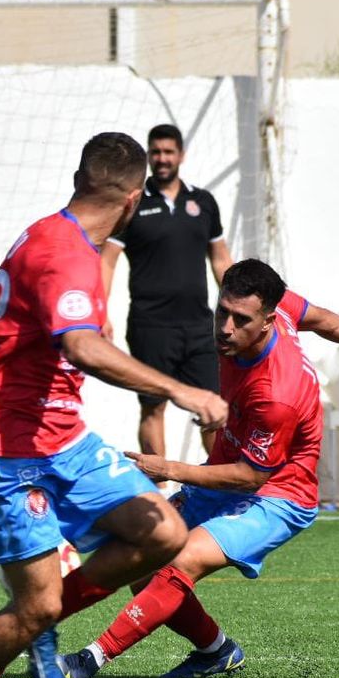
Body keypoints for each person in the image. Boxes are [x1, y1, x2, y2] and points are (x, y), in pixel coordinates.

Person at [0, 131, 229, 678]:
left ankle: (47, 621)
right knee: (35, 608)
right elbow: (81, 345)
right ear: (134, 200)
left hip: (63, 437)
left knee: (164, 531)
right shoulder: (72, 257)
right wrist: (185, 391)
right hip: (7, 451)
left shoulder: (43, 232)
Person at [56, 259, 339, 678]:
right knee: (143, 561)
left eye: (240, 320)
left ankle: (89, 660)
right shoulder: (277, 308)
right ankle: (216, 652)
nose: (226, 327)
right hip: (229, 469)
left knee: (181, 561)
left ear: (268, 320)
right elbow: (320, 317)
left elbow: (250, 478)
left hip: (278, 496)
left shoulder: (276, 394)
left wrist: (168, 468)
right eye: (221, 312)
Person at [101, 123, 233, 462]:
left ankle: (221, 489)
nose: (162, 158)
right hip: (150, 326)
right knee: (152, 407)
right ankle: (158, 493)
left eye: (168, 152)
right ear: (148, 156)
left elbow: (220, 259)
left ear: (180, 156)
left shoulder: (203, 202)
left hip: (199, 326)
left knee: (214, 408)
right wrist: (99, 312)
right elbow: (108, 261)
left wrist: (236, 305)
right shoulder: (132, 204)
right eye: (156, 152)